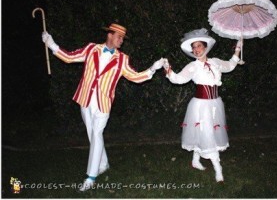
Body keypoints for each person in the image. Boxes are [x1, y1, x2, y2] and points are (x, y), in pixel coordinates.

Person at [42, 23, 165, 191]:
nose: (121, 41)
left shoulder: (123, 59)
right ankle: (104, 163)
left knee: (97, 133)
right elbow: (70, 57)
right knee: (92, 134)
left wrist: (153, 69)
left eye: (123, 38)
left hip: (103, 103)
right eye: (119, 37)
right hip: (85, 98)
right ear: (109, 35)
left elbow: (135, 77)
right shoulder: (91, 49)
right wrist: (51, 44)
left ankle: (91, 176)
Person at [163, 28, 242, 182]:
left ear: (205, 47)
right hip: (201, 106)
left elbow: (231, 65)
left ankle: (195, 160)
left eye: (199, 46)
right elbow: (178, 79)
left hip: (215, 104)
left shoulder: (216, 62)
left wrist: (238, 48)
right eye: (194, 48)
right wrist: (168, 70)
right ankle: (218, 168)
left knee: (205, 133)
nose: (196, 50)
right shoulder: (193, 66)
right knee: (207, 134)